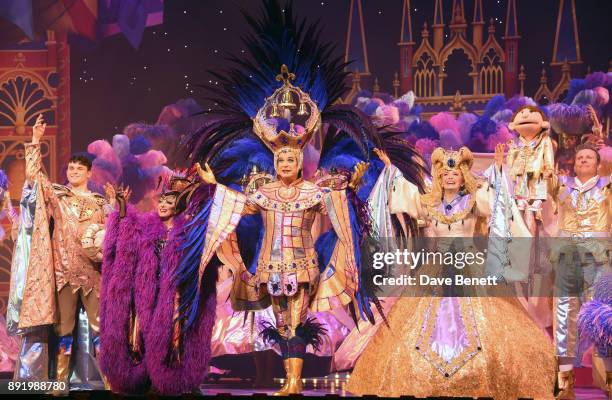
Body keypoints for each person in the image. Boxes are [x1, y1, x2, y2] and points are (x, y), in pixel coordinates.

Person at [347, 146, 556, 399]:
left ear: (462, 176)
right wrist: (390, 168)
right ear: (438, 177)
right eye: (445, 173)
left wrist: (499, 169)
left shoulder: (475, 200)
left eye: (455, 173)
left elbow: (499, 202)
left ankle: (483, 376)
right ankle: (424, 379)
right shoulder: (428, 202)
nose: (450, 177)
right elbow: (403, 192)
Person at [14, 114, 110, 392]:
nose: (74, 171)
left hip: (94, 274)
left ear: (89, 173)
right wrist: (35, 140)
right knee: (64, 331)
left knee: (101, 329)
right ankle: (59, 381)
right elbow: (34, 176)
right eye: (70, 167)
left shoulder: (101, 202)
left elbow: (113, 236)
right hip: (64, 274)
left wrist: (120, 207)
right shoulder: (57, 195)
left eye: (80, 168)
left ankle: (110, 378)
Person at [99, 175, 196, 393]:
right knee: (144, 332)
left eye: (169, 203)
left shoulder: (185, 232)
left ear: (178, 207)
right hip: (147, 291)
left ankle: (171, 378)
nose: (163, 205)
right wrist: (122, 205)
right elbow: (126, 230)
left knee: (174, 334)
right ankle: (149, 377)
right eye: (161, 201)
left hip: (175, 292)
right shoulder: (146, 226)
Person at [549, 143, 611, 398]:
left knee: (602, 316)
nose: (584, 160)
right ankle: (565, 379)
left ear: (598, 164)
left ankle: (608, 376)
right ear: (573, 164)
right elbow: (535, 178)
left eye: (589, 157)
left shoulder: (607, 187)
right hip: (567, 257)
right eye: (579, 157)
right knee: (564, 312)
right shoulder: (562, 185)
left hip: (598, 258)